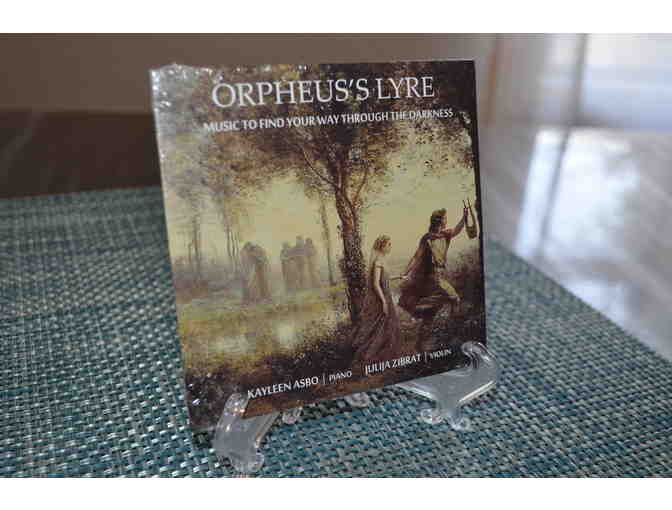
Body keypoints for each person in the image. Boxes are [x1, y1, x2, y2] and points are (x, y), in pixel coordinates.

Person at [399, 205, 468, 332]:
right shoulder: (427, 238)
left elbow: (457, 230)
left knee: (434, 308)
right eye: (445, 218)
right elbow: (416, 257)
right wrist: (405, 272)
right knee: (455, 298)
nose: (447, 220)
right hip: (433, 278)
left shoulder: (445, 234)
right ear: (439, 221)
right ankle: (452, 328)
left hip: (440, 276)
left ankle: (426, 329)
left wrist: (464, 217)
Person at [351, 235, 402, 364]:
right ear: (382, 246)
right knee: (380, 325)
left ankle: (386, 353)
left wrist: (399, 277)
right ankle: (369, 355)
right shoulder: (378, 262)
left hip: (387, 295)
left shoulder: (382, 260)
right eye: (388, 244)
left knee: (389, 323)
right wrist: (383, 301)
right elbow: (375, 284)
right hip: (382, 297)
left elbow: (385, 279)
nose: (390, 247)